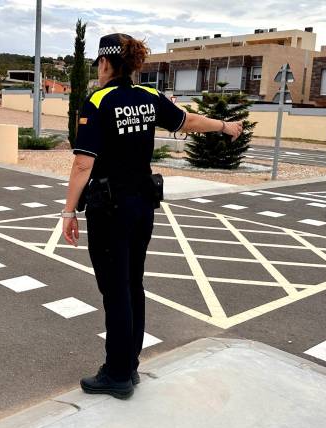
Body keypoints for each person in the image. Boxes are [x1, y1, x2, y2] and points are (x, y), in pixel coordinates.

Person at [61, 33, 242, 399]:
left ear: (106, 62)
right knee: (132, 285)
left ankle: (116, 374)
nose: (97, 70)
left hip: (109, 209)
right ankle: (129, 366)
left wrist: (68, 211)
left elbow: (83, 163)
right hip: (142, 206)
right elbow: (186, 121)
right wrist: (225, 126)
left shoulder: (98, 100)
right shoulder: (149, 97)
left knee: (115, 290)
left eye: (98, 63)